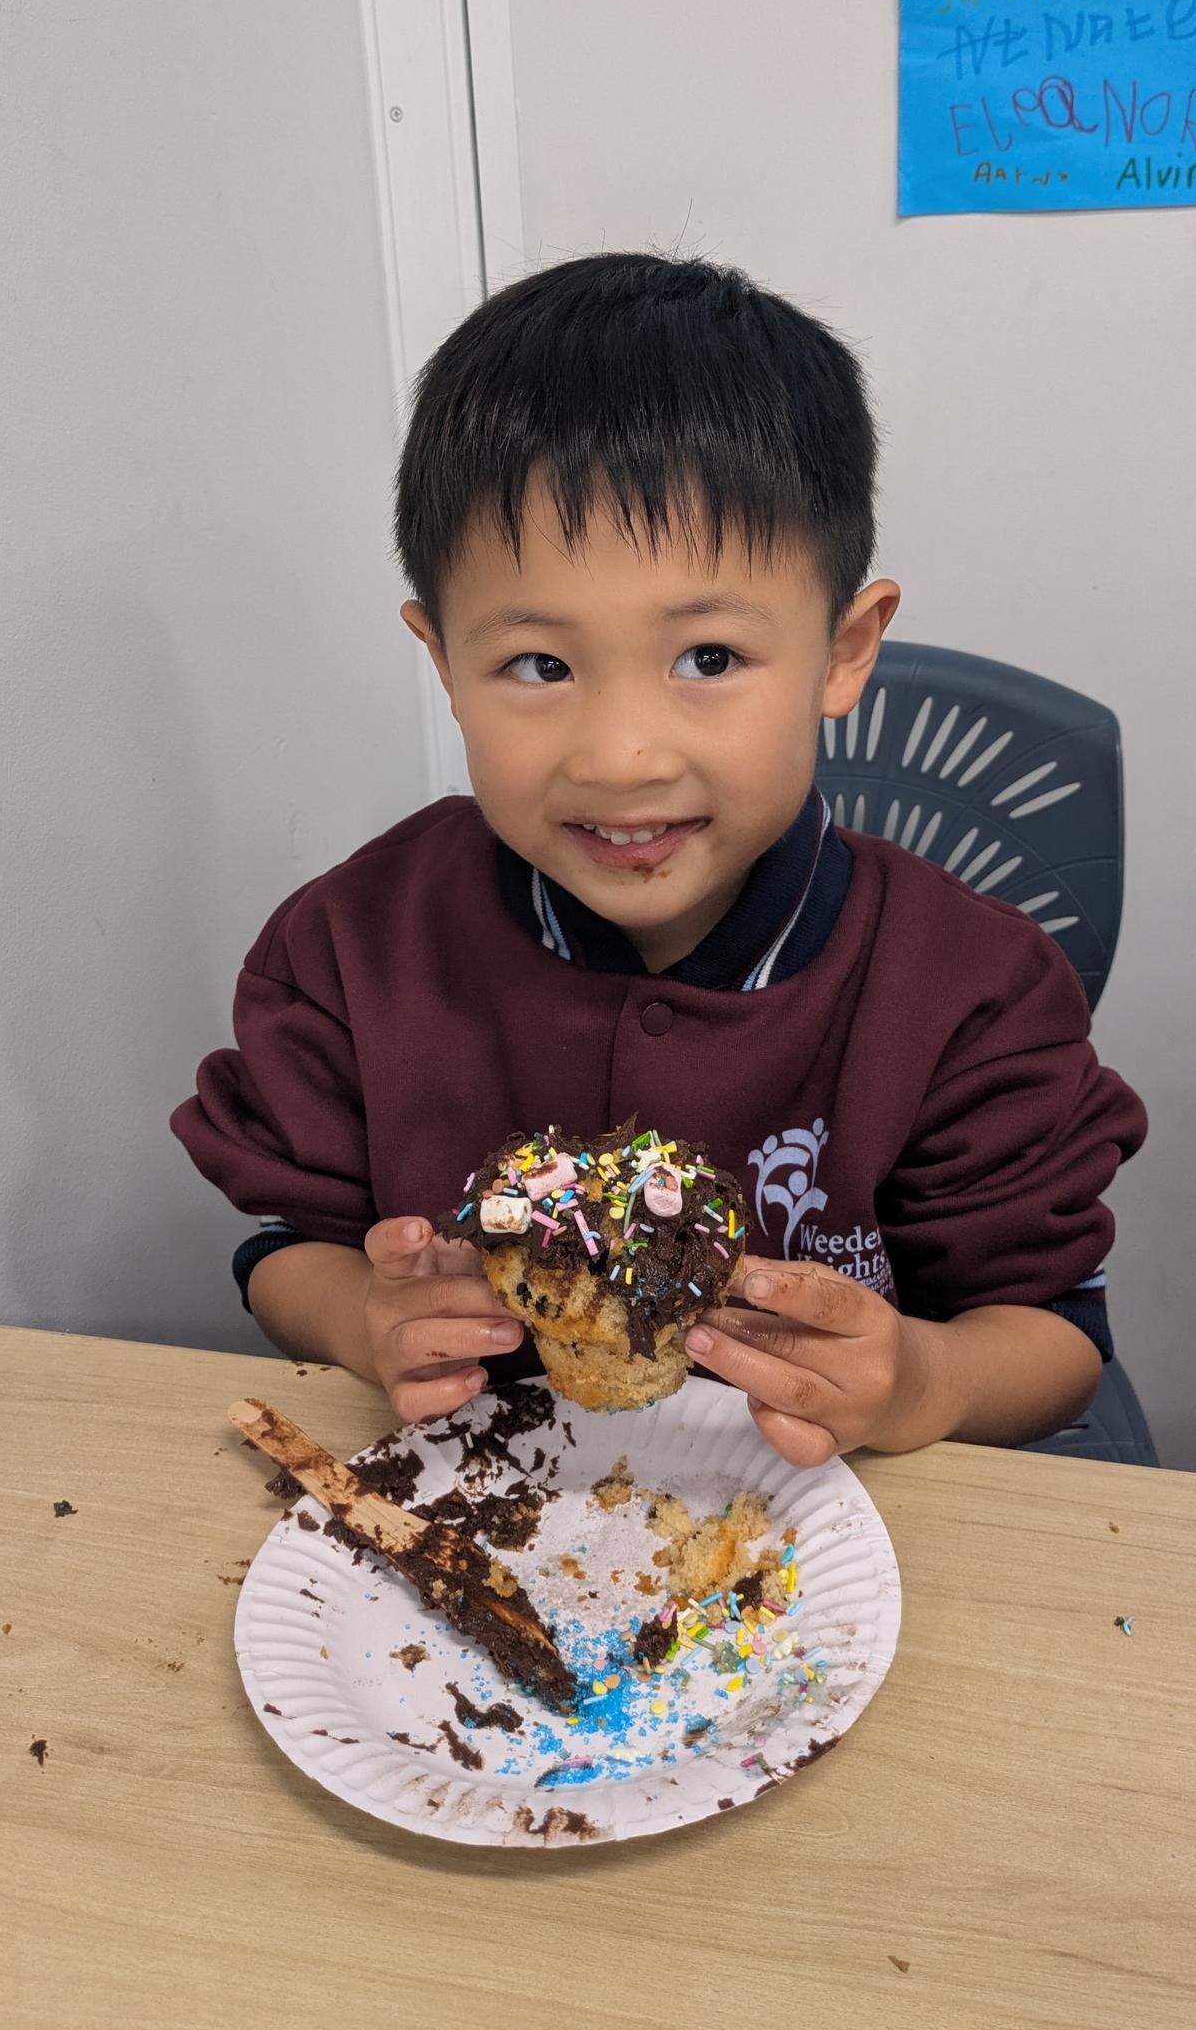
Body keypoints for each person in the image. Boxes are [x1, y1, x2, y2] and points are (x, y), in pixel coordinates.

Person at [172, 253, 1145, 1467]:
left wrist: (921, 1383)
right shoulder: (348, 950)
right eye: (538, 666)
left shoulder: (967, 991)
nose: (620, 756)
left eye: (708, 659)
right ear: (443, 662)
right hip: (483, 1523)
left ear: (844, 651)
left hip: (819, 1539)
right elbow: (288, 1247)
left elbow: (1052, 1338)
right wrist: (362, 1317)